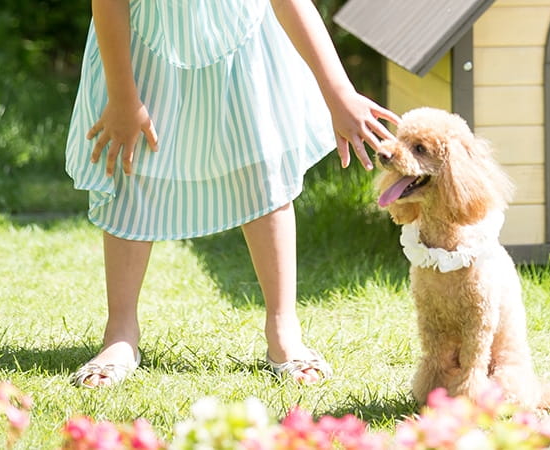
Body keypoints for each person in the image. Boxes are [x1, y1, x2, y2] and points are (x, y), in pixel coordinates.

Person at [65, 0, 399, 387]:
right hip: (144, 49)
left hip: (242, 48)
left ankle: (282, 328)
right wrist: (124, 98)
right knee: (132, 168)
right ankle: (120, 333)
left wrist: (338, 91)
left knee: (260, 169)